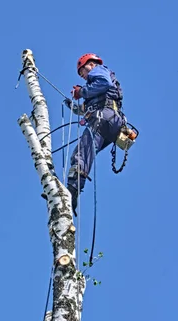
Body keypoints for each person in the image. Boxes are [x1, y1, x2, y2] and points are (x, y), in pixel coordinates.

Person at [63, 53, 126, 216]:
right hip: (111, 124)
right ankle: (73, 192)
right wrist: (74, 106)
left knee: (81, 153)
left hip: (104, 117)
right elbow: (88, 106)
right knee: (87, 153)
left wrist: (82, 92)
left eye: (82, 72)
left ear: (89, 64)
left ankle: (71, 190)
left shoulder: (98, 71)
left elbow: (103, 83)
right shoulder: (99, 89)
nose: (83, 76)